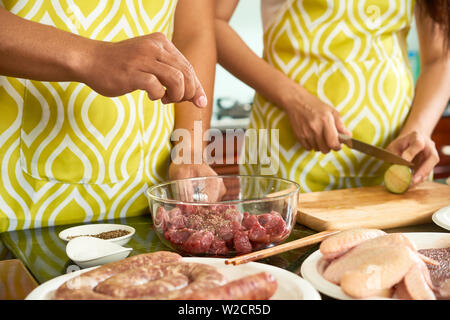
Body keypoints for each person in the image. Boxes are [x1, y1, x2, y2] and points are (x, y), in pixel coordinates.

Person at [0, 0, 223, 232]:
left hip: (150, 203)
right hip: (17, 205)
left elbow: (193, 34)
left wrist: (191, 151)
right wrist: (91, 57)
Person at [215, 0, 450, 192]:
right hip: (288, 162)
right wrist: (294, 99)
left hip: (395, 161)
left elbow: (440, 57)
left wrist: (418, 127)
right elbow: (209, 24)